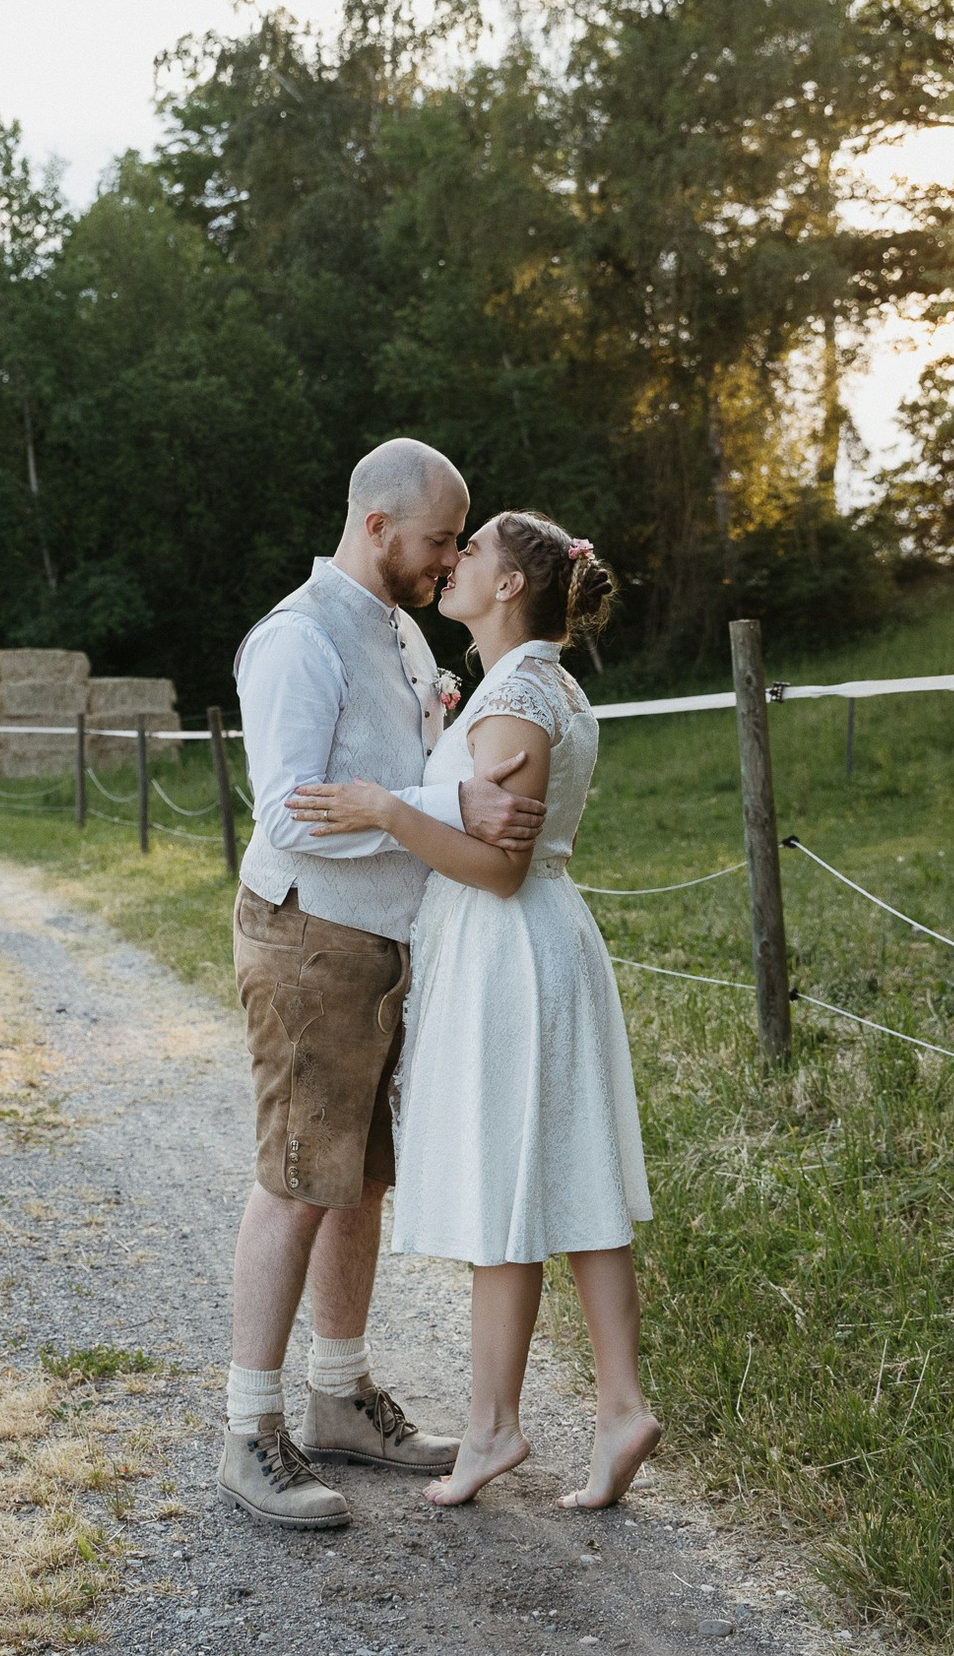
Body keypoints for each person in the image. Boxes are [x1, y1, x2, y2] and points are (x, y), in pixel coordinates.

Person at [287, 509, 661, 1511]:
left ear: (506, 587)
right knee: (567, 1174)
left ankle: (501, 1426)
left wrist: (384, 809)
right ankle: (614, 1405)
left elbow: (494, 869)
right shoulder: (529, 686)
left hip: (509, 947)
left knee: (514, 1181)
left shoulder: (518, 698)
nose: (452, 561)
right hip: (539, 940)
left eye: (473, 552)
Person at [219, 439, 552, 1530]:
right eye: (439, 540)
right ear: (377, 527)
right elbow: (287, 811)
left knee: (358, 1179)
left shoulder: (400, 630)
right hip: (308, 937)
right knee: (296, 1179)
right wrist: (447, 809)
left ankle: (338, 1395)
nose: (447, 557)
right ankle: (247, 1429)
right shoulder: (297, 639)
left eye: (458, 542)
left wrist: (438, 735)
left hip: (381, 942)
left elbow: (390, 775)